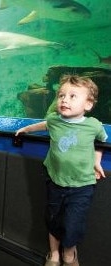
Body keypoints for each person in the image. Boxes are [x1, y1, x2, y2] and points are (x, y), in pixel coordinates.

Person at [15, 74, 108, 266]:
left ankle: (69, 254)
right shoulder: (54, 120)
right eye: (61, 95)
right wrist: (25, 130)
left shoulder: (93, 125)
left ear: (88, 104)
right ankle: (54, 254)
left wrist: (96, 160)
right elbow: (44, 124)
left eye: (73, 96)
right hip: (55, 181)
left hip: (82, 186)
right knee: (53, 219)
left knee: (73, 224)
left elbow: (101, 140)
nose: (64, 99)